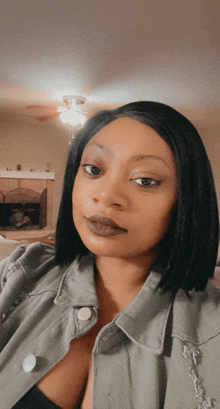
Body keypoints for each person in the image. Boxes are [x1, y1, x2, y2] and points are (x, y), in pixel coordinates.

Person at [0, 101, 219, 409]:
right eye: (93, 169)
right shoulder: (21, 272)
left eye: (145, 180)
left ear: (186, 201)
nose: (106, 195)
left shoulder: (212, 331)